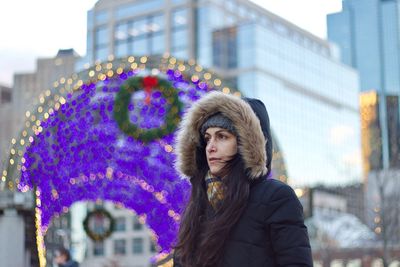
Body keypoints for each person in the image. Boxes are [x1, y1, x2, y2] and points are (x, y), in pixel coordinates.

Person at [173, 91, 313, 267]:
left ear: (246, 143)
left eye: (222, 136)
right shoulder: (198, 201)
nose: (211, 147)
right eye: (207, 138)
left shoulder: (275, 197)